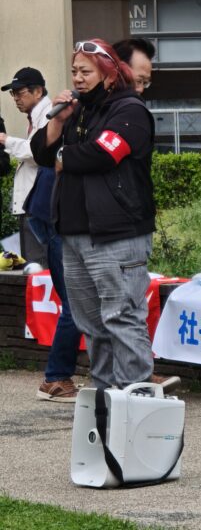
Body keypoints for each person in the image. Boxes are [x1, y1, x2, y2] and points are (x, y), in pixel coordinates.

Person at [30, 38, 165, 390]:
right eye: (74, 71)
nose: (77, 78)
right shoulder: (78, 110)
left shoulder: (129, 110)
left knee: (122, 318)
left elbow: (104, 153)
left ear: (109, 74)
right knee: (91, 325)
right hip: (74, 235)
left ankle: (135, 397)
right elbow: (42, 154)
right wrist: (58, 121)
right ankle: (105, 400)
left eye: (86, 72)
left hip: (117, 235)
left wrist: (64, 158)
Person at [0, 68, 50, 266]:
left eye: (19, 93)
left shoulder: (49, 115)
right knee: (34, 267)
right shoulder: (35, 117)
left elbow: (40, 152)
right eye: (13, 94)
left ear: (37, 91)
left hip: (39, 203)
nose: (15, 99)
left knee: (40, 268)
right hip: (32, 203)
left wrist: (7, 140)